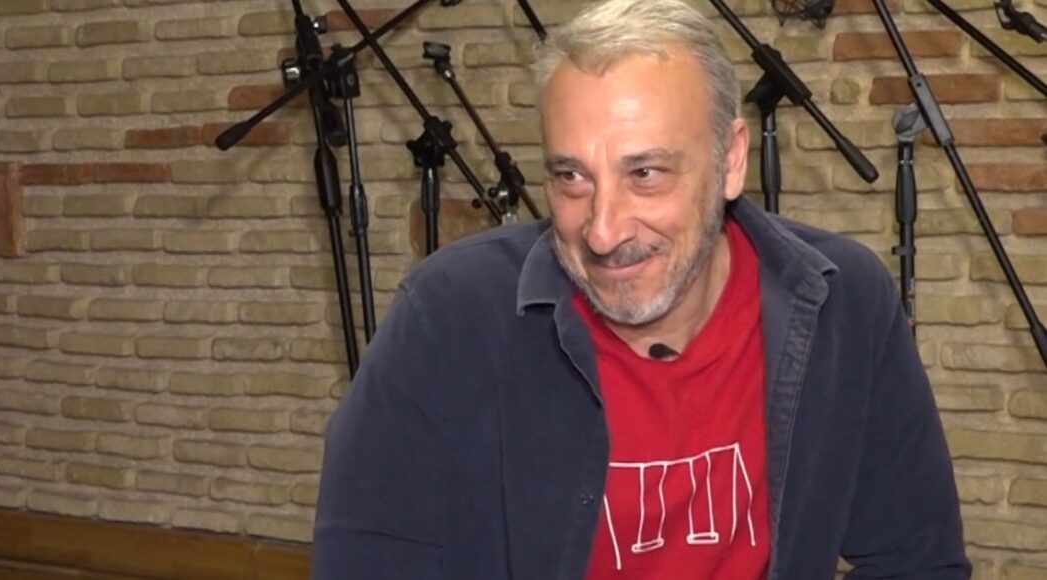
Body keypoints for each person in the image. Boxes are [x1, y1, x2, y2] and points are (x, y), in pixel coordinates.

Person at [312, 0, 970, 577]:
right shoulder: (448, 317)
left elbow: (916, 561)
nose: (602, 231)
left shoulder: (845, 304)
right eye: (571, 177)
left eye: (645, 173)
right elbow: (365, 561)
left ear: (730, 160)